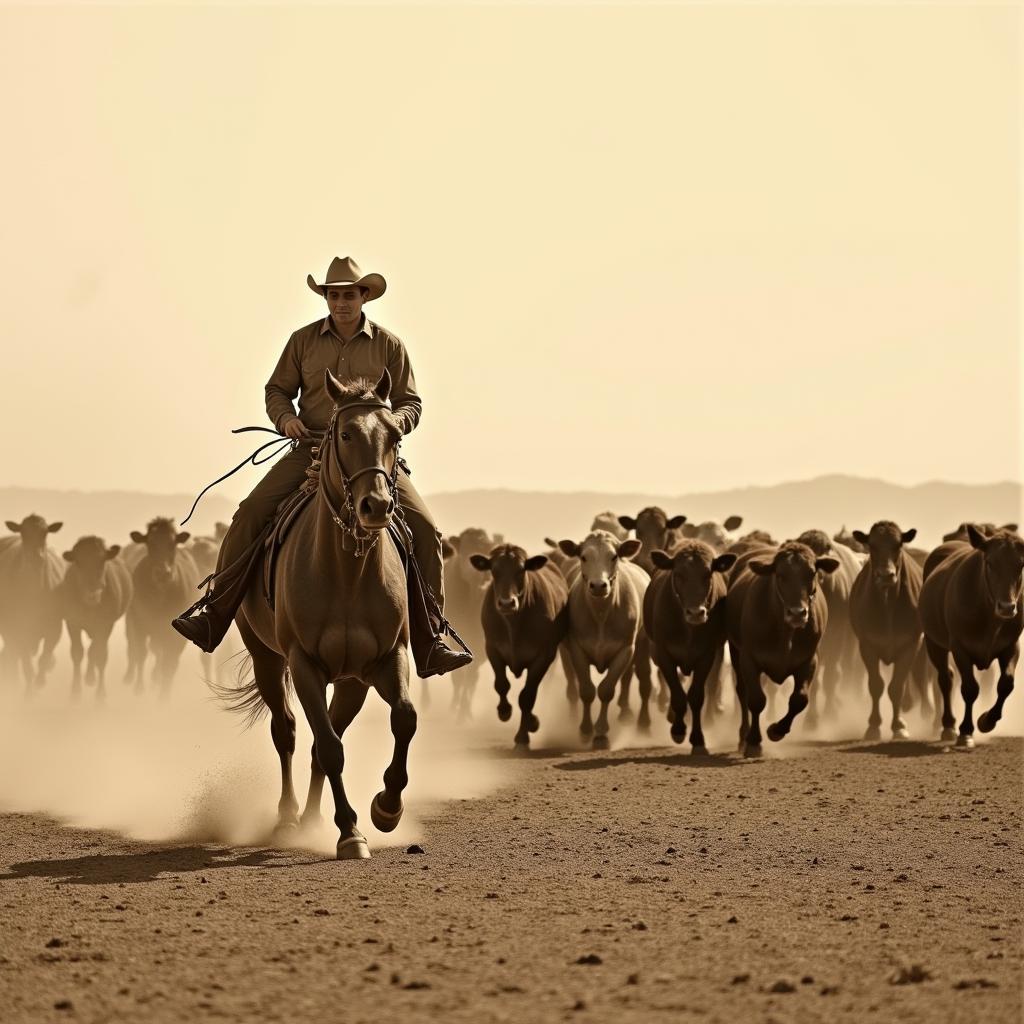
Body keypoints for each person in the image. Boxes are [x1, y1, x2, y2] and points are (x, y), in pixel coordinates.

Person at [171, 256, 472, 679]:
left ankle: (430, 638)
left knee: (425, 529)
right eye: (334, 295)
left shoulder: (389, 345)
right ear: (325, 298)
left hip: (371, 457)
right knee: (251, 512)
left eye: (349, 294)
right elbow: (277, 389)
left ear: (364, 296)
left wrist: (392, 424)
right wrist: (286, 420)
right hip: (310, 448)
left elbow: (410, 401)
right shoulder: (303, 342)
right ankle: (214, 612)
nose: (341, 302)